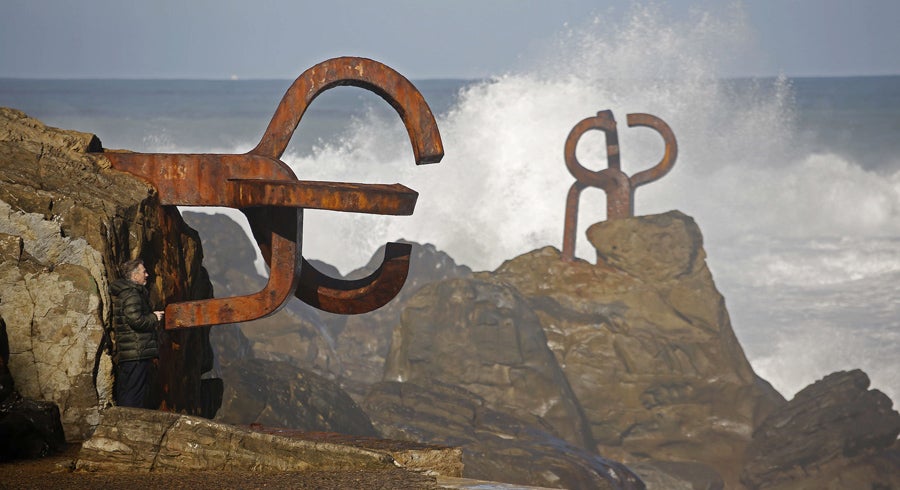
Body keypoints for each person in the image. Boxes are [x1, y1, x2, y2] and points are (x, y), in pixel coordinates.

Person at [109, 258, 164, 408]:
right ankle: (128, 424)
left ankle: (124, 421)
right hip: (136, 352)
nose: (147, 275)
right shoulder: (132, 294)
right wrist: (154, 317)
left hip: (133, 351)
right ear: (134, 276)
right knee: (133, 391)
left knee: (129, 389)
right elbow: (135, 320)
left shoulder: (128, 293)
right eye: (143, 272)